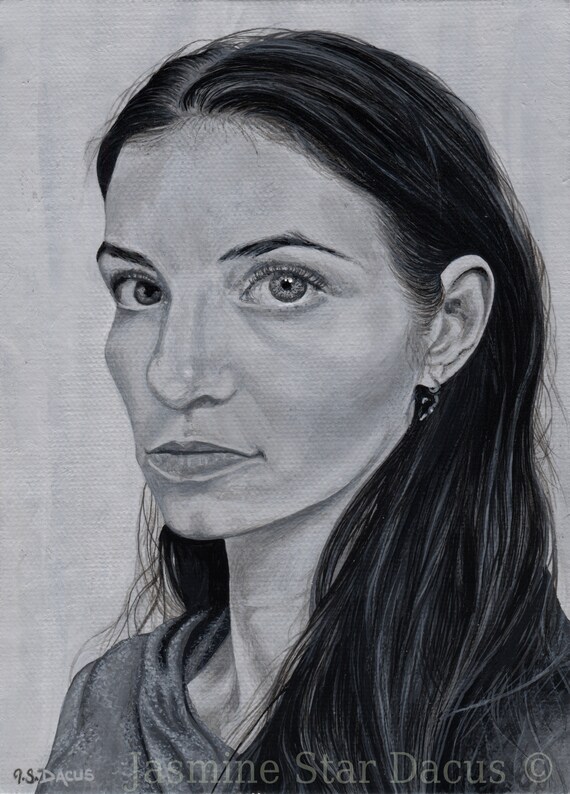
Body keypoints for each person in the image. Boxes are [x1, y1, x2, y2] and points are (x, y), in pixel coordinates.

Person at [37, 29, 570, 794]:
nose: (175, 375)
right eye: (143, 290)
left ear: (450, 324)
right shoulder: (113, 703)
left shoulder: (538, 740)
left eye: (285, 285)